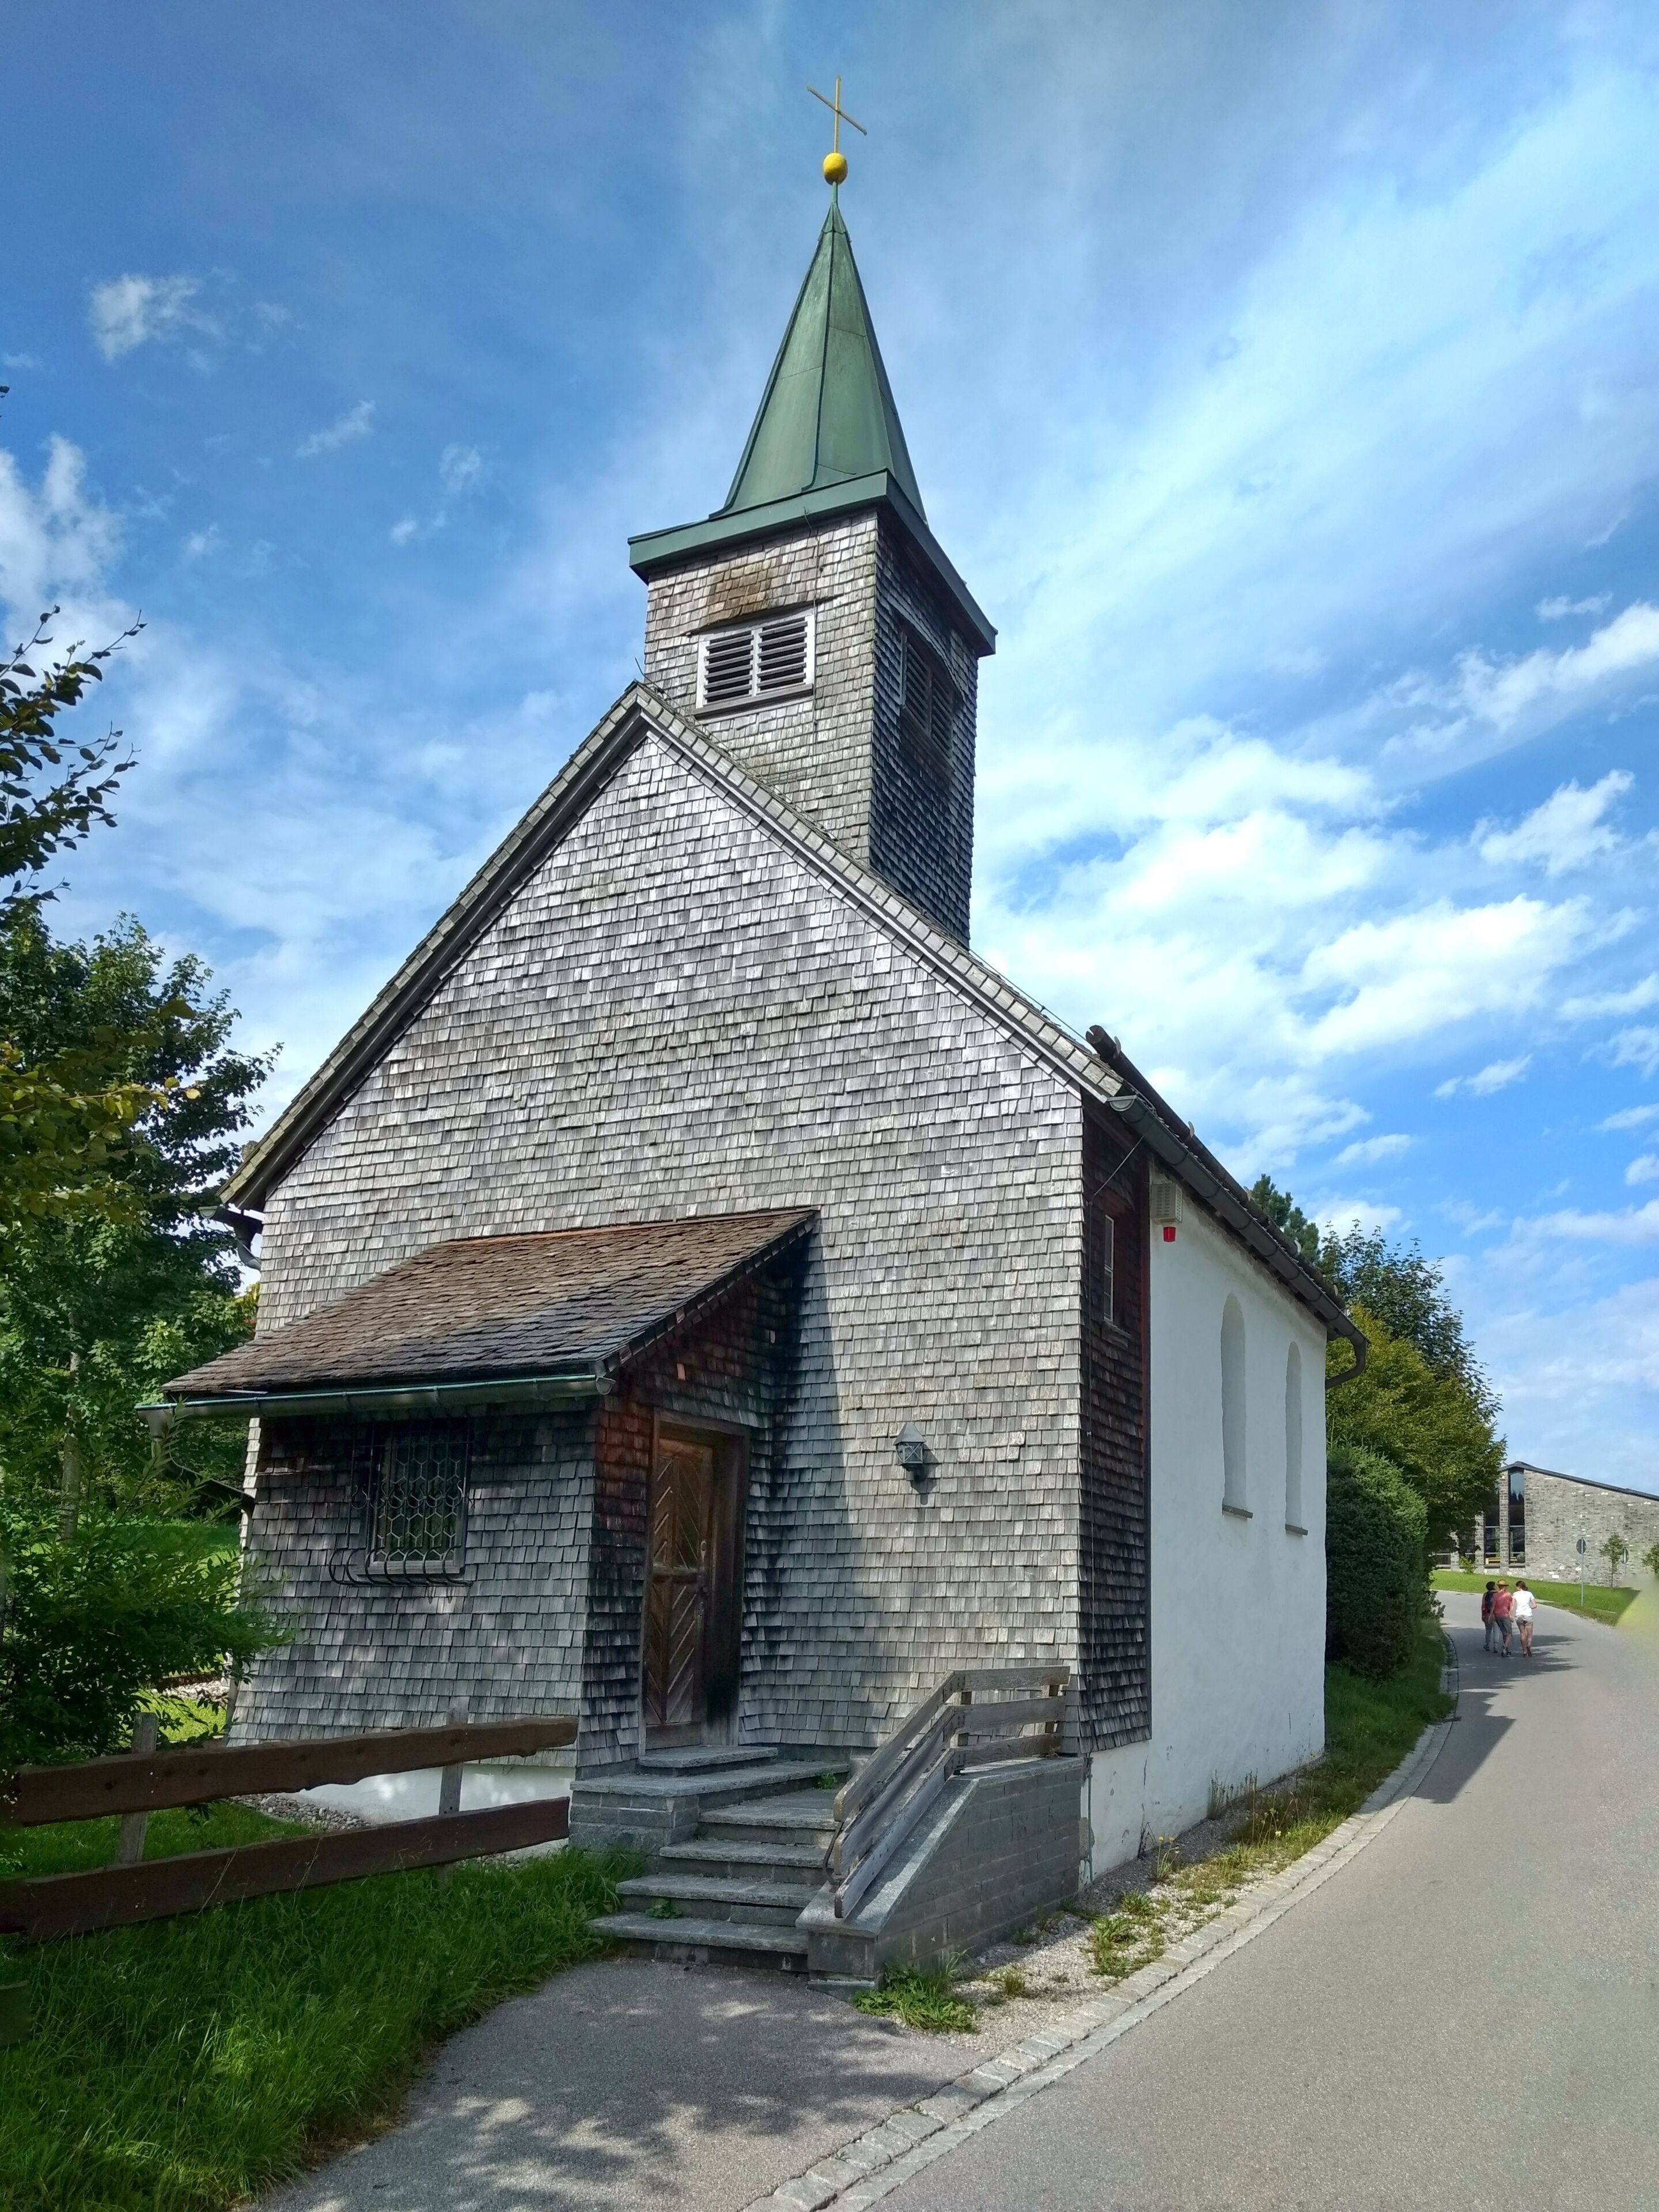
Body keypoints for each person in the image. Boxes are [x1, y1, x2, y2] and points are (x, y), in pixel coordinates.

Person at [1512, 1580, 1535, 1657]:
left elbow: (1512, 1605)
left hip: (1519, 1615)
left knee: (1522, 1633)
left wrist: (1510, 1614)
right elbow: (1535, 1605)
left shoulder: (1515, 1594)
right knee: (1529, 1633)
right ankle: (1529, 1645)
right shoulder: (1529, 1594)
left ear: (1519, 1587)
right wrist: (1530, 1607)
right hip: (1528, 1614)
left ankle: (1524, 1651)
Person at [1491, 1578, 1513, 1657]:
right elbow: (1510, 1605)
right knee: (1509, 1633)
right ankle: (1505, 1646)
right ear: (1504, 1587)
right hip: (1505, 1615)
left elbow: (1493, 1606)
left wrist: (1491, 1615)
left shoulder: (1495, 1595)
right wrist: (1510, 1614)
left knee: (1504, 1633)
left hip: (1497, 1615)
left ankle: (1507, 1651)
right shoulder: (1508, 1594)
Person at [1481, 1580, 1497, 1651]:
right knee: (1496, 1630)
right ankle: (1496, 1646)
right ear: (1493, 1586)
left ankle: (1487, 1644)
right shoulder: (1498, 1594)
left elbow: (1483, 1605)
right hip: (1496, 1613)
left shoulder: (1486, 1594)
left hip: (1488, 1613)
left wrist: (1483, 1615)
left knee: (1488, 1630)